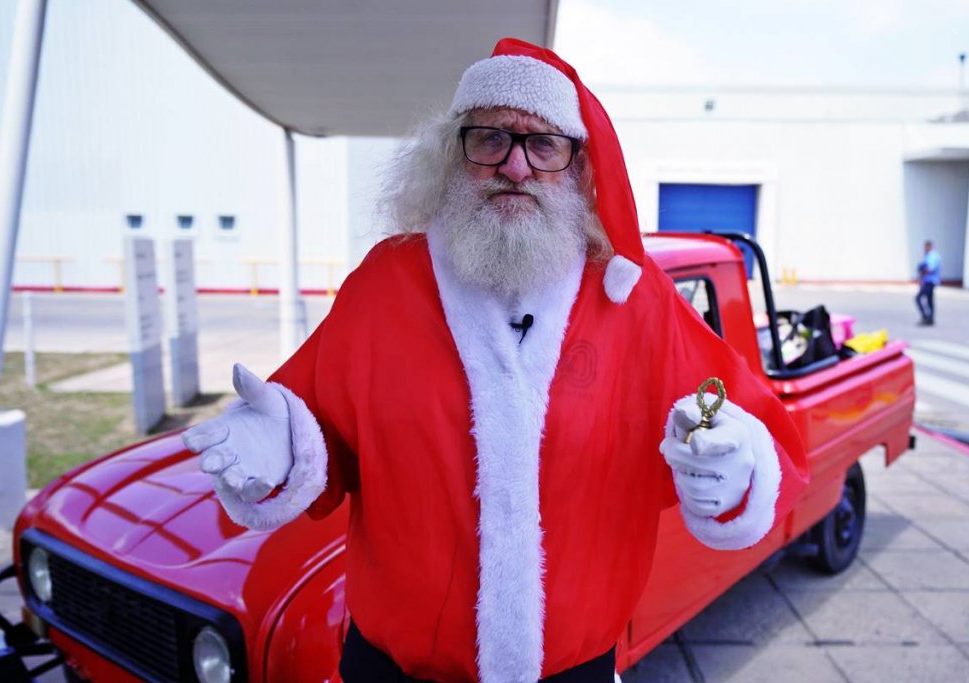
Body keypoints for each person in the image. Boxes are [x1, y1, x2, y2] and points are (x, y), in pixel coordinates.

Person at [183, 38, 808, 683]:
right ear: (453, 156)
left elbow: (735, 415)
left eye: (544, 145)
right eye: (491, 140)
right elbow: (314, 425)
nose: (516, 167)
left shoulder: (635, 297)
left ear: (578, 166)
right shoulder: (386, 283)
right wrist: (272, 444)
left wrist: (733, 465)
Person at [915, 239, 941, 326]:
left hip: (930, 281)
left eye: (926, 247)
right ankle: (930, 318)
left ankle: (926, 316)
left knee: (918, 298)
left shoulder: (932, 256)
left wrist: (922, 271)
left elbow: (930, 269)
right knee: (929, 300)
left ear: (929, 246)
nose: (924, 248)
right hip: (929, 281)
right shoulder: (929, 255)